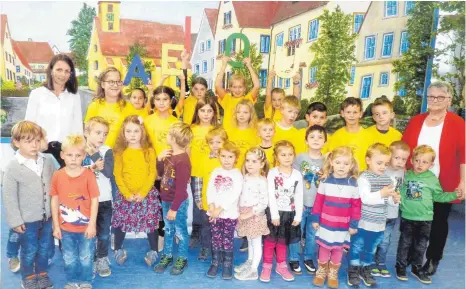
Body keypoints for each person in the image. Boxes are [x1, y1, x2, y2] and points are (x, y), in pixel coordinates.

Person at [402, 81, 465, 276]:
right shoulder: (416, 121)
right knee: (413, 221)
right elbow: (405, 151)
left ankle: (432, 259)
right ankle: (413, 257)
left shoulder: (458, 123)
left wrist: (463, 182)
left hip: (442, 183)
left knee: (438, 222)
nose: (435, 100)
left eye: (440, 97)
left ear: (449, 100)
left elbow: (464, 155)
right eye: (431, 97)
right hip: (415, 182)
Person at [396, 145, 463, 284]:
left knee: (421, 246)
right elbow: (399, 191)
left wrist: (453, 195)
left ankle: (416, 267)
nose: (420, 164)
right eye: (417, 160)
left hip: (425, 220)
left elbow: (438, 196)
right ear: (412, 161)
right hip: (407, 217)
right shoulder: (406, 175)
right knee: (405, 244)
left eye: (425, 162)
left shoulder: (432, 179)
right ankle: (400, 266)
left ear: (431, 164)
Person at [3, 121, 56, 289]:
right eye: (27, 141)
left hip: (46, 217)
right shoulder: (13, 167)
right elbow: (9, 197)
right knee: (29, 250)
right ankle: (28, 276)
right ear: (16, 142)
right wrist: (15, 221)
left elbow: (54, 187)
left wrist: (56, 214)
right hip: (26, 220)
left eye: (36, 140)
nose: (34, 145)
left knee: (44, 249)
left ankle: (42, 273)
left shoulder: (47, 161)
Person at [111, 116, 162, 266]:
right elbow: (117, 174)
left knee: (150, 224)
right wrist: (127, 193)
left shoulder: (149, 151)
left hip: (146, 195)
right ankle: (118, 249)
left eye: (136, 131)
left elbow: (152, 173)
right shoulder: (120, 152)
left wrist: (143, 193)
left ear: (142, 132)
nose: (132, 135)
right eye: (128, 131)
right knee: (121, 222)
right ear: (123, 133)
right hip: (125, 195)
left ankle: (153, 251)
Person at [50, 135, 99, 289]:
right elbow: (54, 200)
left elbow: (94, 200)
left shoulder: (89, 175)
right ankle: (71, 280)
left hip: (86, 228)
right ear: (62, 155)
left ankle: (85, 280)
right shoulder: (57, 175)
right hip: (65, 229)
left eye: (78, 155)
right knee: (69, 257)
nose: (73, 159)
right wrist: (56, 226)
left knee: (86, 256)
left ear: (84, 156)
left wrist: (92, 224)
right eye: (69, 155)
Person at [348, 143, 400, 288]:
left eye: (386, 163)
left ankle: (365, 269)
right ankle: (353, 270)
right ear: (368, 160)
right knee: (357, 246)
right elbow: (365, 199)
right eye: (379, 163)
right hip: (363, 222)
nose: (383, 166)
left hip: (379, 223)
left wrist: (394, 199)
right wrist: (381, 193)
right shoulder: (363, 178)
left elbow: (389, 201)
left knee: (371, 248)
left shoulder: (389, 180)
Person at [311, 146, 361, 289]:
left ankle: (333, 273)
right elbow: (318, 201)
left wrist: (354, 224)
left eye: (346, 164)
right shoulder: (325, 181)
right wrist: (315, 219)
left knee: (338, 249)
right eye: (338, 162)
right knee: (324, 248)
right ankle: (321, 272)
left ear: (351, 165)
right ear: (331, 162)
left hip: (342, 225)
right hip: (326, 223)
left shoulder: (353, 182)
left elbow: (356, 206)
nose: (342, 166)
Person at [25, 54, 83, 167]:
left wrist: (77, 152)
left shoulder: (74, 96)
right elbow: (28, 126)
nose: (63, 74)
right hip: (41, 152)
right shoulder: (37, 94)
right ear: (51, 70)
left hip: (66, 154)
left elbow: (78, 127)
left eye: (67, 71)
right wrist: (36, 147)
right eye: (59, 70)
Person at [260, 140, 303, 283]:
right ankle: (267, 266)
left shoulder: (297, 174)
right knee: (270, 241)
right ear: (276, 157)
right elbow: (271, 194)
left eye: (290, 154)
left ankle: (281, 265)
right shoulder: (273, 173)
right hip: (275, 214)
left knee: (283, 242)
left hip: (289, 214)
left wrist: (298, 215)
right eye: (283, 154)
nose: (287, 157)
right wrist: (274, 214)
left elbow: (298, 195)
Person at [154, 123, 193, 275]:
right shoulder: (169, 155)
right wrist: (159, 159)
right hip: (166, 199)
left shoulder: (182, 161)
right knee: (168, 229)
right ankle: (167, 255)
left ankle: (182, 257)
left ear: (175, 139)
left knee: (180, 231)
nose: (167, 136)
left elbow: (182, 188)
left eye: (169, 134)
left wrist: (174, 208)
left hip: (178, 203)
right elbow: (161, 173)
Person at [289, 125, 327, 275]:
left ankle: (309, 258)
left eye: (320, 137)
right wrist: (295, 202)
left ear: (325, 142)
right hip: (300, 204)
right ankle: (293, 258)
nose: (316, 140)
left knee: (312, 234)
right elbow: (293, 181)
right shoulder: (299, 158)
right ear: (306, 140)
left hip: (317, 206)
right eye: (312, 137)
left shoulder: (327, 161)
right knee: (296, 232)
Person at [372, 140, 410, 278]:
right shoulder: (381, 170)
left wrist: (399, 197)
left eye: (404, 159)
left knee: (385, 240)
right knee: (374, 238)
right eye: (397, 157)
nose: (400, 161)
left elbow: (401, 189)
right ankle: (369, 262)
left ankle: (380, 262)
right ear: (389, 156)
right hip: (377, 213)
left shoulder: (402, 172)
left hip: (392, 214)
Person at [205, 141, 243, 280]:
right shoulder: (216, 171)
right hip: (214, 212)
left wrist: (220, 209)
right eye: (224, 156)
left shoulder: (237, 174)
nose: (226, 160)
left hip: (229, 214)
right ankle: (215, 262)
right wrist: (212, 206)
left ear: (236, 158)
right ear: (219, 156)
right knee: (215, 238)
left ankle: (227, 264)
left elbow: (235, 194)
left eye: (230, 157)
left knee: (227, 239)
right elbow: (210, 190)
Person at [82, 117, 114, 278]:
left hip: (104, 200)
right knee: (87, 233)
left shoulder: (106, 150)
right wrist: (92, 167)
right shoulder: (78, 150)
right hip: (84, 201)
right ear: (86, 133)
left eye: (105, 134)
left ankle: (102, 258)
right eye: (97, 133)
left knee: (103, 233)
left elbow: (108, 172)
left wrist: (95, 155)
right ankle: (89, 259)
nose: (102, 137)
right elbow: (73, 172)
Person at [234, 148, 270, 281]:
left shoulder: (262, 181)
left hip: (254, 216)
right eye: (248, 160)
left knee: (256, 242)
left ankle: (254, 270)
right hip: (244, 212)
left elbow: (263, 202)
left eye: (254, 161)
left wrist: (249, 213)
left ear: (261, 164)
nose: (249, 164)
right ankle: (250, 262)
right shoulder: (245, 177)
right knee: (249, 239)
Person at [188, 96, 219, 249]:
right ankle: (196, 231)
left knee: (211, 203)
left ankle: (210, 233)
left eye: (209, 111)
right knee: (197, 204)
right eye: (202, 110)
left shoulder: (218, 130)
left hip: (213, 174)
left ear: (214, 112)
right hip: (196, 172)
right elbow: (187, 151)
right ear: (197, 112)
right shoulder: (192, 129)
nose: (206, 114)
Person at [84, 67, 137, 148]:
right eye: (111, 82)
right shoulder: (94, 106)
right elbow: (87, 135)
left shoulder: (128, 107)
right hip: (98, 156)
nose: (115, 85)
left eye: (118, 81)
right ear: (102, 84)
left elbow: (136, 132)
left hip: (121, 156)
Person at [197, 126, 228, 261]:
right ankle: (205, 247)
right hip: (206, 201)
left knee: (222, 226)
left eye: (218, 142)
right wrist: (198, 198)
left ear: (225, 142)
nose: (215, 145)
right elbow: (198, 179)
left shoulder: (228, 160)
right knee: (206, 226)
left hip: (223, 203)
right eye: (212, 142)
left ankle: (221, 247)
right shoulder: (203, 159)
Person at [327, 97, 373, 171]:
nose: (352, 115)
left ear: (361, 114)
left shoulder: (369, 136)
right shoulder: (336, 136)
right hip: (342, 176)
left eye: (355, 112)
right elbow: (331, 158)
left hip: (363, 176)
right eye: (348, 112)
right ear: (342, 113)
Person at [215, 56, 260, 130]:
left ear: (244, 88)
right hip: (229, 138)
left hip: (244, 137)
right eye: (234, 87)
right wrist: (224, 65)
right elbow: (217, 85)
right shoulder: (227, 99)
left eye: (240, 87)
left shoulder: (248, 99)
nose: (237, 90)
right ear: (230, 88)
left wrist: (249, 66)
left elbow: (257, 86)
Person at [228, 99, 260, 169]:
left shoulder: (257, 132)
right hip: (233, 170)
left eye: (245, 112)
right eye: (238, 112)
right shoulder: (229, 132)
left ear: (251, 114)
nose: (241, 115)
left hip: (250, 170)